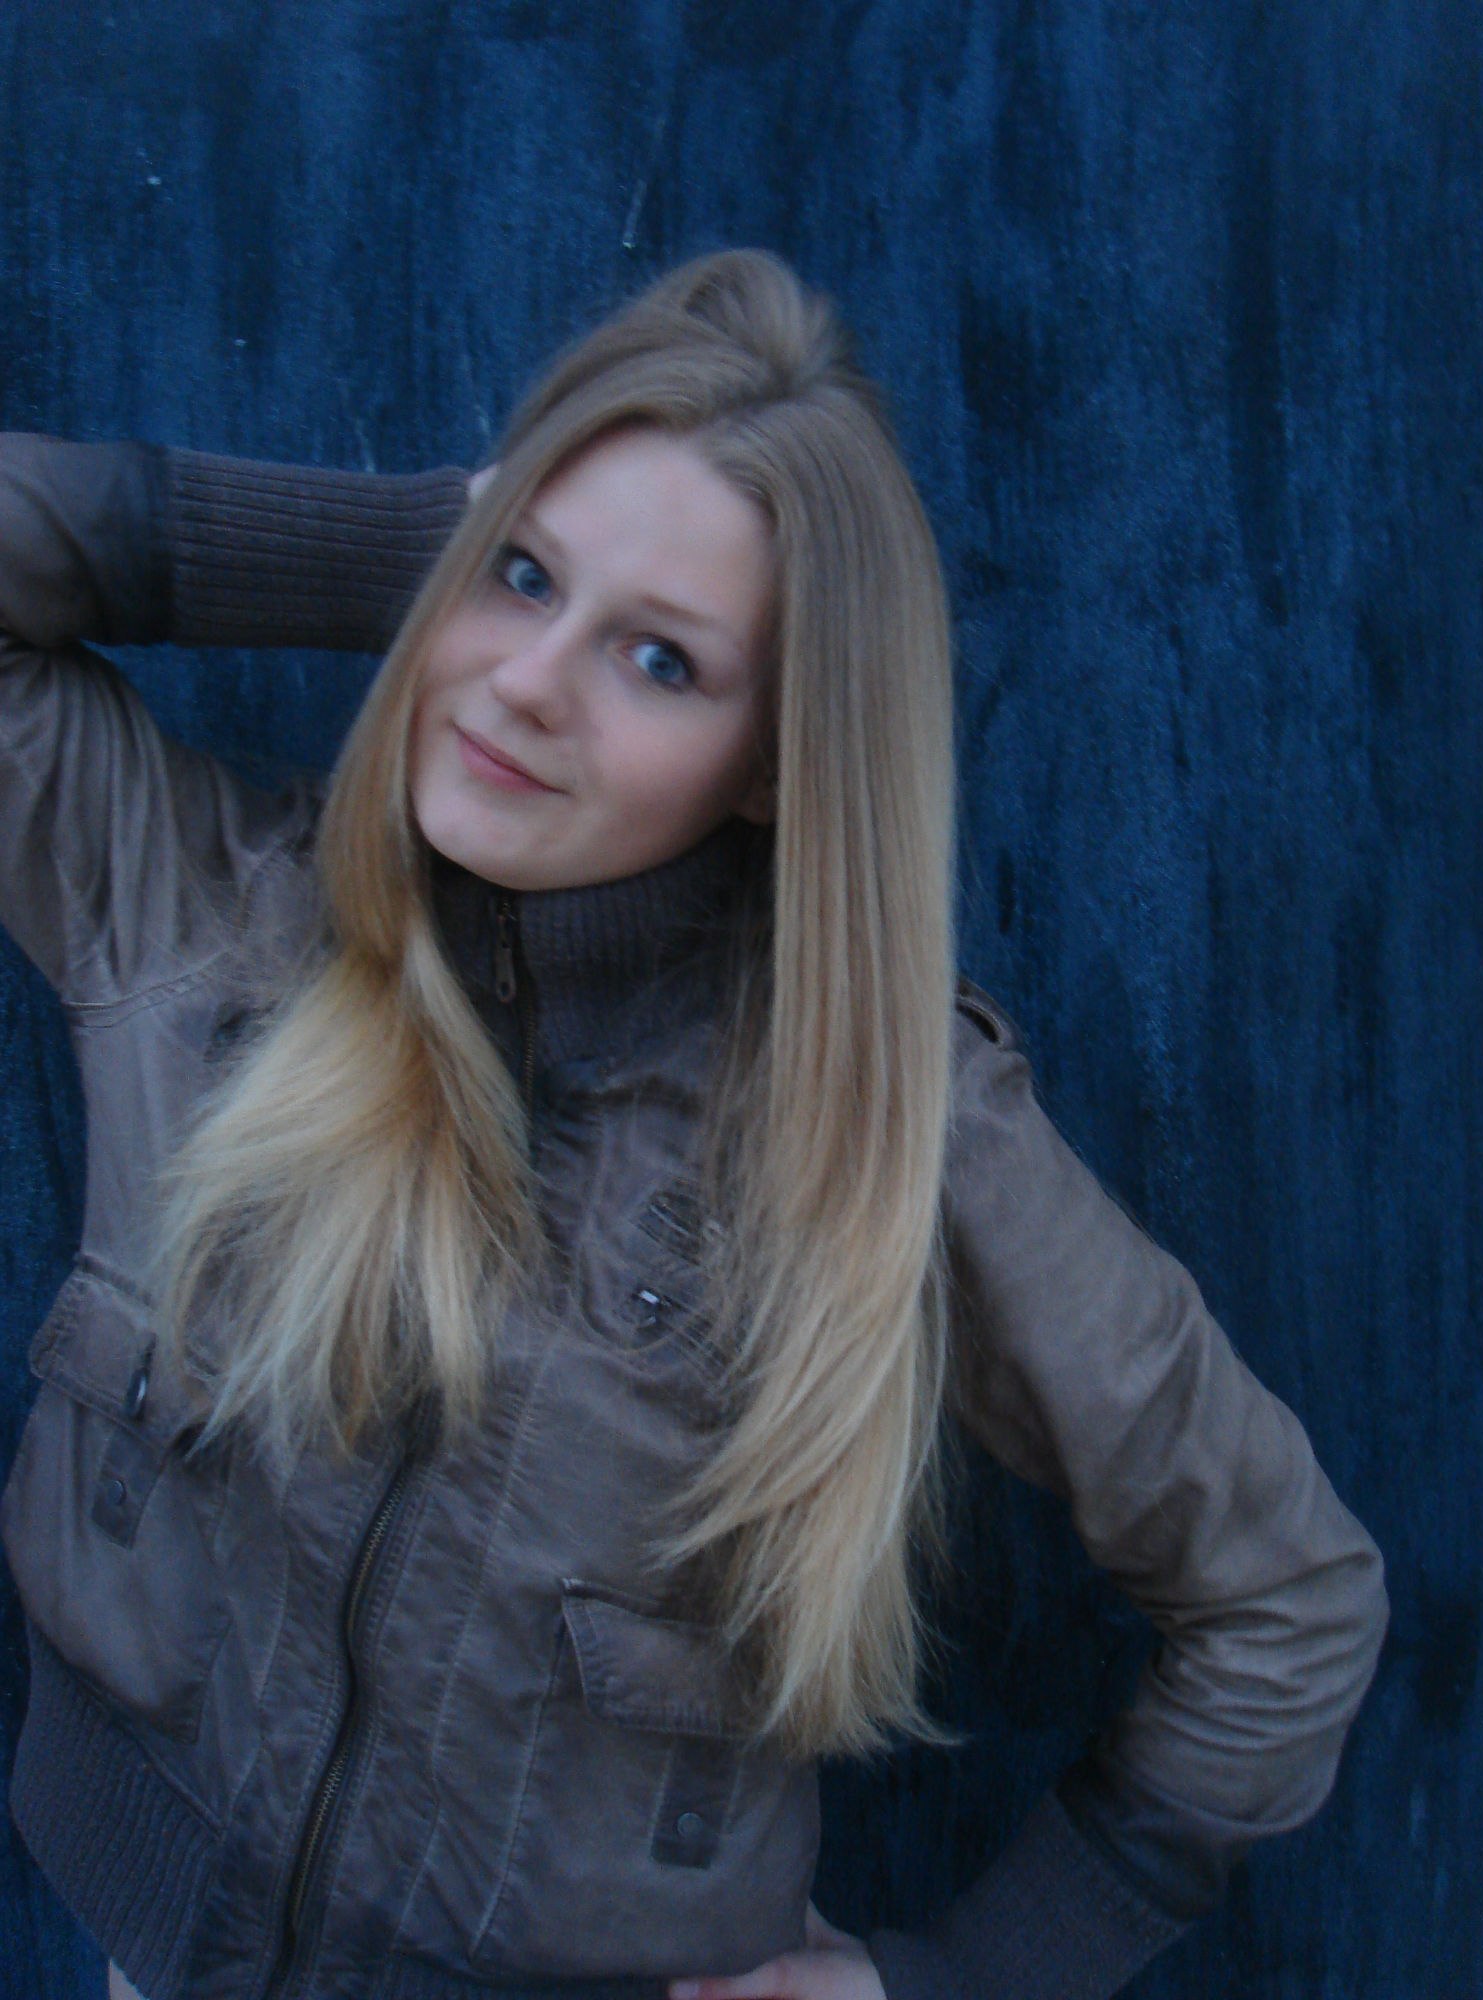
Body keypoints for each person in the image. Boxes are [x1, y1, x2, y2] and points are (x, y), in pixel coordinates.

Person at [0, 250, 1387, 2000]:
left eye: (658, 658)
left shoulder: (885, 1134)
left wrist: (970, 1975)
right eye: (524, 579)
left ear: (778, 760)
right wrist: (420, 552)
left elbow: (1286, 1601)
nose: (526, 684)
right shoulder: (193, 911)